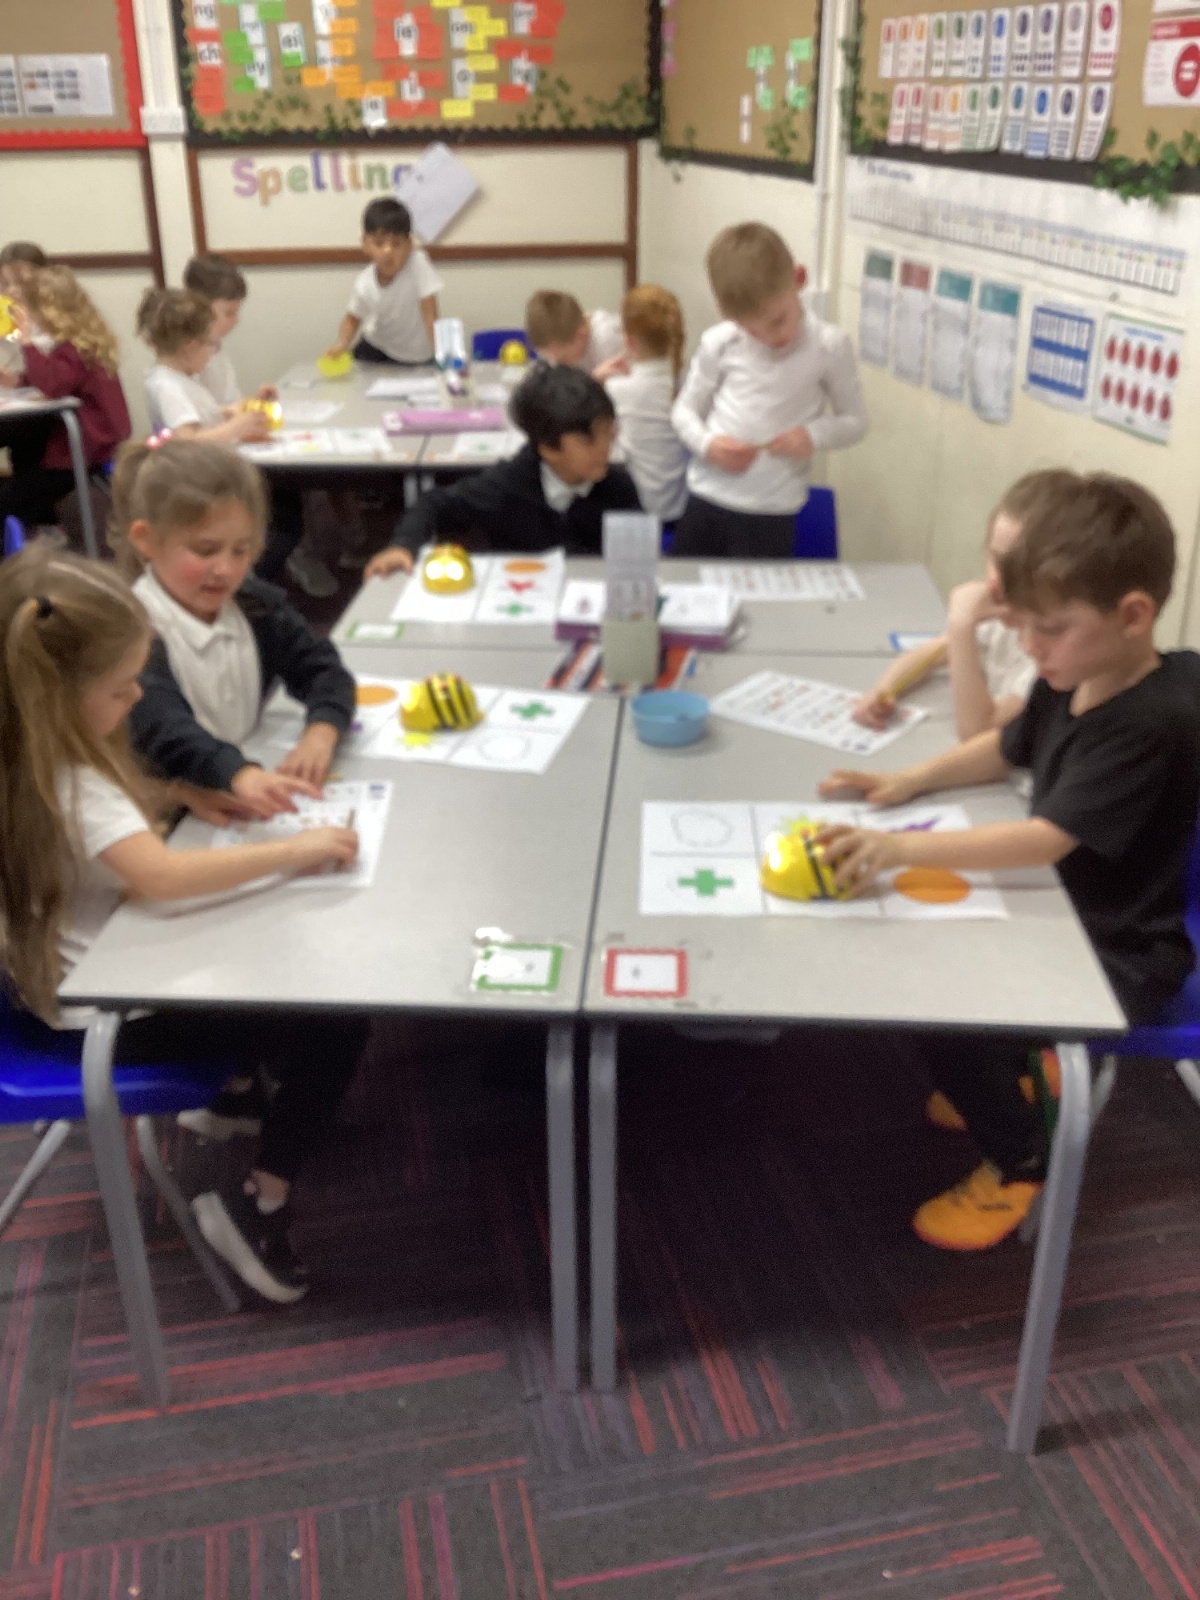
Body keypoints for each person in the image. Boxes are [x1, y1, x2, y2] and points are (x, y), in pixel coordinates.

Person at [817, 472, 1200, 1251]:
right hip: (1062, 913)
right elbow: (1007, 746)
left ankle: (1020, 1157)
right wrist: (912, 780)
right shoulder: (1073, 673)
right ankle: (1013, 1074)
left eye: (1049, 628)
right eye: (1023, 626)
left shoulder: (1151, 722)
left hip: (1118, 953)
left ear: (1134, 615)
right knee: (929, 959)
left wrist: (897, 847)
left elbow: (1045, 838)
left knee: (940, 1004)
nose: (1030, 647)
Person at [0, 544, 366, 1301]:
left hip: (63, 982)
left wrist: (176, 795)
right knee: (338, 1010)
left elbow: (102, 836)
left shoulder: (27, 753)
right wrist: (295, 851)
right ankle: (258, 1205)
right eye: (121, 687)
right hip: (104, 1017)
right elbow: (163, 878)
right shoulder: (72, 785)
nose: (137, 696)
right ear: (59, 696)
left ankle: (234, 1096)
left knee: (270, 951)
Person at [108, 438, 354, 814]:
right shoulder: (134, 629)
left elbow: (322, 667)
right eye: (205, 550)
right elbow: (163, 729)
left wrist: (322, 730)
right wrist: (237, 773)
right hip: (169, 808)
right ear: (146, 540)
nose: (225, 569)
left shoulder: (255, 605)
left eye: (241, 550)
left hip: (241, 786)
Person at [670, 223, 866, 559]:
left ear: (799, 279)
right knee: (684, 588)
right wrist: (707, 444)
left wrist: (813, 435)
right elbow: (683, 410)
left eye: (778, 321)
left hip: (772, 511)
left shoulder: (829, 347)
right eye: (752, 330)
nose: (770, 338)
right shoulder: (721, 341)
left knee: (759, 593)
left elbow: (855, 421)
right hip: (706, 498)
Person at [854, 470, 1077, 739]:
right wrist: (884, 690)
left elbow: (977, 731)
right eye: (995, 560)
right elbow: (929, 655)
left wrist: (961, 625)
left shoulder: (1051, 649)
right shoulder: (999, 619)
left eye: (1016, 568)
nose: (997, 579)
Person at [366, 364, 641, 577]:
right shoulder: (510, 484)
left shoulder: (619, 489)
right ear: (548, 448)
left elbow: (638, 563)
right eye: (589, 440)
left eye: (609, 433)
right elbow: (434, 504)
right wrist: (402, 545)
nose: (606, 448)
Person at [0, 265, 131, 529]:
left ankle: (27, 525)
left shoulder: (77, 347)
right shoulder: (81, 343)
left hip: (80, 450)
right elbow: (62, 377)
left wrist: (27, 342)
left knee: (12, 497)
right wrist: (19, 380)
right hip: (80, 444)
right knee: (21, 440)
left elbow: (54, 383)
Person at [597, 284, 690, 525]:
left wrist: (595, 380)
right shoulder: (687, 383)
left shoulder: (617, 389)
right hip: (681, 508)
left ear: (628, 341)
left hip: (638, 511)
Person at [137, 288, 268, 446]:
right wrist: (235, 428)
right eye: (212, 344)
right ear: (190, 347)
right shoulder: (167, 386)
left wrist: (229, 411)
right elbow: (187, 441)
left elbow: (196, 416)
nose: (214, 352)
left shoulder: (182, 378)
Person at [325, 197, 442, 366]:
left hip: (417, 354)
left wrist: (442, 354)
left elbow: (430, 314)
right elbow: (353, 318)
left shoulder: (417, 264)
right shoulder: (364, 282)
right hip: (377, 347)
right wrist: (341, 343)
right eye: (379, 243)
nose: (388, 251)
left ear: (409, 245)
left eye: (396, 244)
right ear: (365, 244)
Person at [182, 252, 277, 412]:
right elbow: (199, 417)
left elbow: (228, 401)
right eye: (229, 313)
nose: (236, 320)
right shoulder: (188, 359)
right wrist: (239, 414)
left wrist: (254, 405)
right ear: (198, 310)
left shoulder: (215, 348)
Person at [525, 289, 624, 373]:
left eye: (564, 358)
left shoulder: (606, 338)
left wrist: (595, 381)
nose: (557, 364)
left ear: (581, 334)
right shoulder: (553, 345)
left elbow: (618, 385)